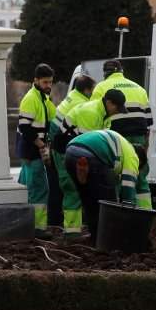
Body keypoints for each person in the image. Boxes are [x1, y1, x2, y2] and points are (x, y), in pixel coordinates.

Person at [51, 89, 128, 239]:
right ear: (108, 102)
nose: (118, 111)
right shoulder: (91, 113)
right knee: (72, 188)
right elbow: (88, 147)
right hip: (65, 151)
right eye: (117, 107)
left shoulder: (105, 115)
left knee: (85, 188)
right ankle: (71, 233)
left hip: (78, 150)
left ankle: (86, 227)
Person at [63, 130, 147, 243]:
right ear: (139, 160)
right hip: (93, 154)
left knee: (90, 201)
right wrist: (130, 217)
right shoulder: (132, 156)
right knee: (109, 204)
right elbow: (128, 189)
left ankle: (96, 238)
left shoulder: (118, 148)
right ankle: (110, 242)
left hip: (70, 153)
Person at [90, 60, 153, 209]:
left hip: (115, 138)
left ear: (105, 73)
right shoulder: (139, 88)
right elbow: (149, 122)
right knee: (140, 177)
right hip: (139, 137)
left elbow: (96, 115)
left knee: (117, 178)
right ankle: (146, 215)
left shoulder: (101, 87)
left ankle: (117, 215)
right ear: (121, 71)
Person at [46, 75, 97, 228]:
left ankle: (55, 218)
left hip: (55, 142)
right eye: (92, 90)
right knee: (67, 185)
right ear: (87, 90)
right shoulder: (81, 103)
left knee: (57, 183)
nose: (93, 93)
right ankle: (62, 223)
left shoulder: (72, 96)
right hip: (61, 146)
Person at [14, 63, 57, 240]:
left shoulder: (42, 98)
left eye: (50, 82)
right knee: (39, 189)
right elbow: (25, 127)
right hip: (33, 152)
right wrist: (41, 145)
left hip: (31, 151)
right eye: (45, 81)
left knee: (25, 189)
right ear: (36, 80)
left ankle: (22, 226)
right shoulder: (32, 99)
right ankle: (38, 229)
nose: (48, 85)